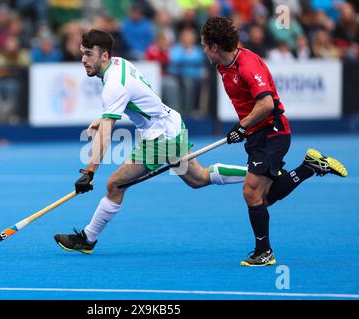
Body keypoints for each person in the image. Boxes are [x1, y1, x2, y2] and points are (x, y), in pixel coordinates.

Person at [54, 29, 248, 254]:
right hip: (169, 124)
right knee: (198, 178)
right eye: (82, 54)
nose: (83, 60)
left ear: (104, 56)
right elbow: (138, 98)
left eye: (89, 54)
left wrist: (89, 171)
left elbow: (106, 135)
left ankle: (87, 239)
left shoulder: (114, 85)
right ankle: (256, 174)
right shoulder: (118, 64)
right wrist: (104, 118)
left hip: (160, 138)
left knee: (114, 184)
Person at [200, 16, 348, 267]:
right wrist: (246, 129)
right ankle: (309, 167)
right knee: (262, 198)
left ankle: (264, 252)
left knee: (251, 192)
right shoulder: (223, 65)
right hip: (258, 134)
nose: (203, 49)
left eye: (204, 45)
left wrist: (241, 126)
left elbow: (266, 104)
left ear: (215, 46)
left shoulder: (247, 65)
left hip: (272, 131)